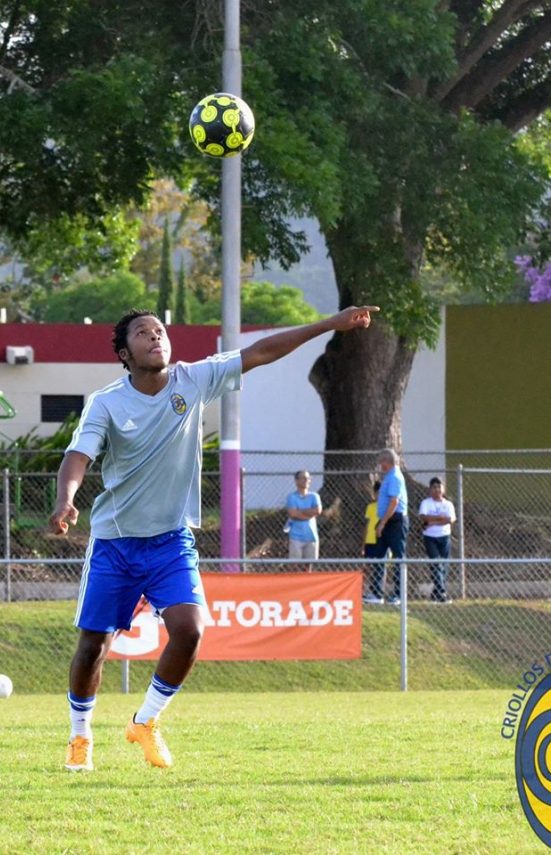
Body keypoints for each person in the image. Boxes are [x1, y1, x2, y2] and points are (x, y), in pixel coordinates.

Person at [49, 304, 379, 772]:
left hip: (170, 540)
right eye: (143, 334)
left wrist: (330, 324)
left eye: (159, 330)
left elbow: (262, 351)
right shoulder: (107, 403)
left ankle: (145, 722)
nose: (155, 337)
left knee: (191, 630)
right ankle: (80, 738)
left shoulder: (194, 379)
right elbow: (77, 457)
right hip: (115, 542)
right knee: (94, 645)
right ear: (125, 353)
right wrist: (66, 500)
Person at [374, 449, 408, 606]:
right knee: (379, 554)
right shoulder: (388, 477)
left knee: (398, 557)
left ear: (387, 462)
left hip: (394, 521)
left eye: (381, 462)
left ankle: (399, 594)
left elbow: (394, 502)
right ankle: (376, 593)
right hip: (386, 520)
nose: (380, 465)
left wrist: (383, 523)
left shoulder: (394, 477)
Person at [418, 477, 456, 603]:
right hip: (430, 537)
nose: (437, 489)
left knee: (444, 565)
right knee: (436, 563)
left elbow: (450, 520)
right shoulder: (426, 503)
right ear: (430, 490)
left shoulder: (448, 504)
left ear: (443, 489)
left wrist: (433, 522)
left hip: (444, 537)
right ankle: (441, 593)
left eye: (439, 487)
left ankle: (436, 593)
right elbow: (424, 517)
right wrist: (439, 518)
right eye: (434, 487)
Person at [285, 470, 322, 567]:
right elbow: (293, 514)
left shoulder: (314, 496)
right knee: (295, 565)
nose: (307, 480)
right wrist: (309, 513)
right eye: (304, 478)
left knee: (309, 565)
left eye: (308, 478)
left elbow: (317, 511)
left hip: (311, 536)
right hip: (296, 536)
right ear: (296, 481)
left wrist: (300, 511)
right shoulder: (292, 497)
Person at [361, 482, 385, 604]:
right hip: (370, 541)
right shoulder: (370, 507)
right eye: (377, 493)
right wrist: (363, 544)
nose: (379, 496)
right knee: (368, 567)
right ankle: (368, 591)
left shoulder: (387, 507)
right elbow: (367, 525)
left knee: (379, 567)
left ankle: (378, 593)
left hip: (381, 540)